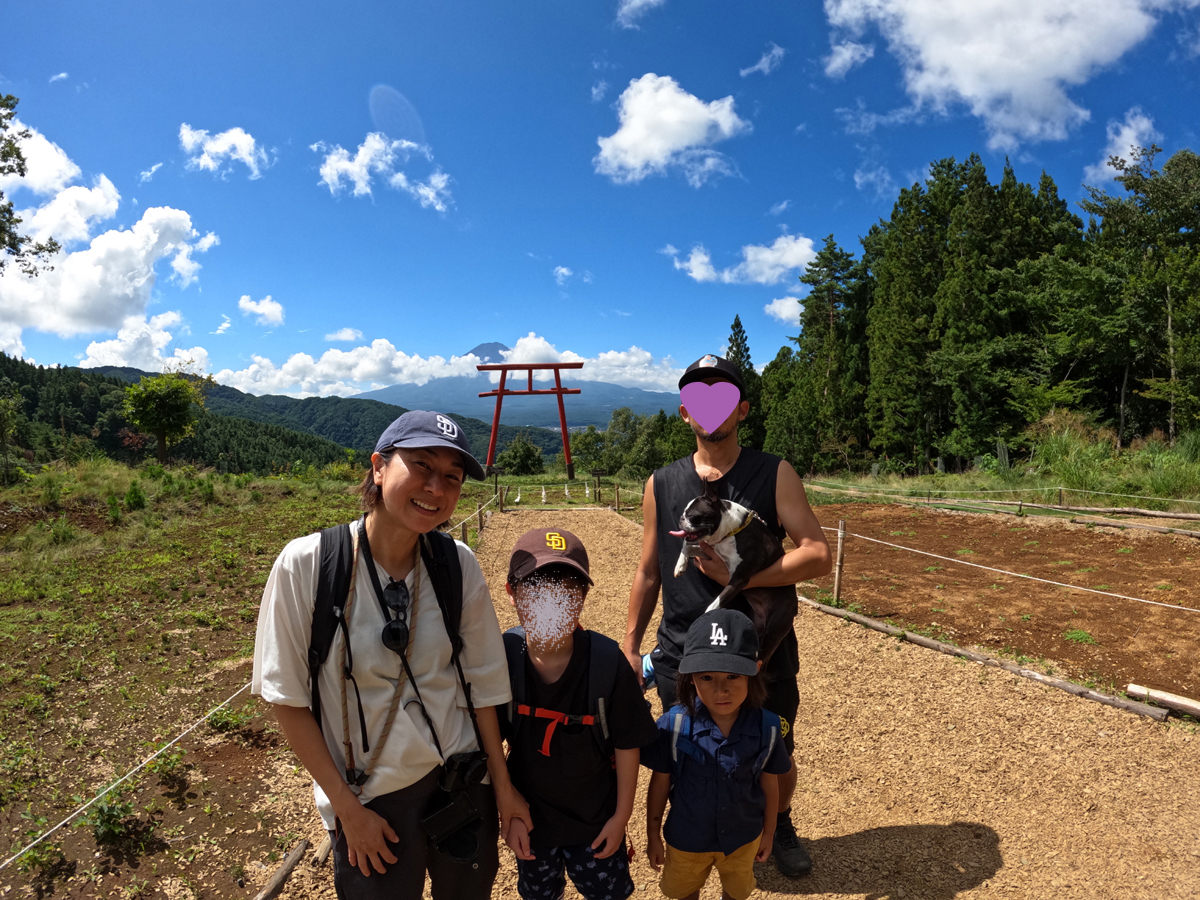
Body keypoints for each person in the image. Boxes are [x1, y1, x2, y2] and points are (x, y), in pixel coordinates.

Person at [252, 410, 528, 900]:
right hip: (369, 799)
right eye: (421, 466)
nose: (436, 488)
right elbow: (287, 698)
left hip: (462, 779)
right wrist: (347, 812)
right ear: (378, 466)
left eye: (452, 477)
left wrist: (502, 786)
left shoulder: (456, 565)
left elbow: (483, 683)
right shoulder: (309, 565)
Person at [624, 353, 832, 878]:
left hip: (763, 655)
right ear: (684, 413)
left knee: (773, 747)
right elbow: (649, 572)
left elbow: (816, 554)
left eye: (722, 398)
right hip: (684, 653)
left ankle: (778, 823)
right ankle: (698, 838)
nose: (709, 409)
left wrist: (739, 580)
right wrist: (630, 645)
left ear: (741, 410)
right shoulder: (661, 483)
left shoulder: (774, 472)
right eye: (698, 399)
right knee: (686, 754)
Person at [499, 527, 659, 900]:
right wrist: (506, 807)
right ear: (511, 592)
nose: (553, 602)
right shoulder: (503, 659)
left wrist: (621, 817)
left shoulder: (606, 663)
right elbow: (488, 740)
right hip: (531, 821)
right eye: (538, 588)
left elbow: (627, 744)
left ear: (583, 596)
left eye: (568, 589)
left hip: (596, 823)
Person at [642, 608, 792, 900]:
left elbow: (769, 782)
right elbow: (659, 782)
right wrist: (652, 835)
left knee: (735, 893)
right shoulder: (673, 726)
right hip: (686, 838)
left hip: (743, 838)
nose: (721, 689)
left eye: (733, 675)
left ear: (756, 669)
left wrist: (770, 832)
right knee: (684, 892)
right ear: (690, 677)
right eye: (707, 677)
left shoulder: (768, 727)